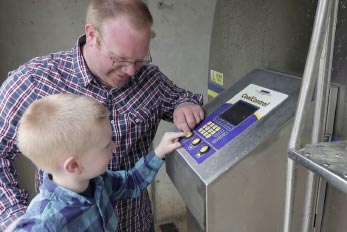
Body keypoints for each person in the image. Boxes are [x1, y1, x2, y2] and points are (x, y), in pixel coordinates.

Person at [0, 0, 204, 231]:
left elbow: (183, 98)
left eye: (139, 60)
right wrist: (15, 219)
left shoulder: (150, 80)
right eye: (120, 59)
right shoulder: (33, 81)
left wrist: (184, 105)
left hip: (137, 223)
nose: (130, 71)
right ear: (92, 35)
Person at [11, 94, 185, 231]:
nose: (114, 146)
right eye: (106, 145)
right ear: (74, 166)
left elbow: (131, 182)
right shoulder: (46, 221)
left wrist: (159, 152)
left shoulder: (100, 180)